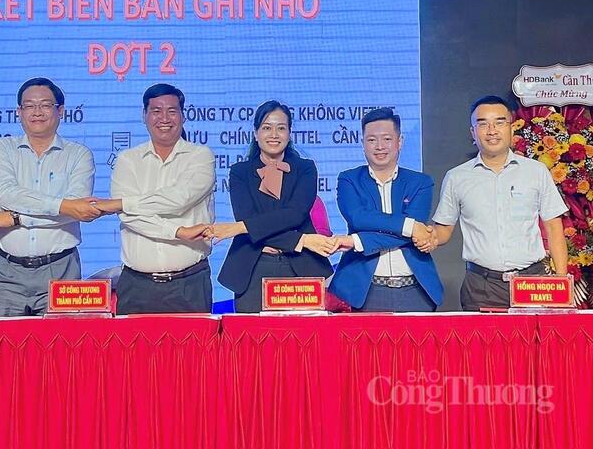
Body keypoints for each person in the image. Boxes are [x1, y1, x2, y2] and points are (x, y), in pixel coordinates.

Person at [0, 77, 99, 316]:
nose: (37, 112)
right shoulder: (3, 148)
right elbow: (9, 196)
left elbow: (76, 211)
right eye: (29, 106)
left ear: (60, 111)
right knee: (2, 341)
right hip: (6, 273)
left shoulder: (79, 155)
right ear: (19, 112)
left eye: (45, 105)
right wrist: (61, 206)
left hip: (61, 270)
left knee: (62, 341)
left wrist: (13, 219)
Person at [432, 95, 568, 310]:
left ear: (511, 128)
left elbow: (553, 227)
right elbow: (444, 230)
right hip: (481, 287)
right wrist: (424, 236)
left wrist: (561, 282)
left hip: (533, 284)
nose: (492, 131)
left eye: (499, 123)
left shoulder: (536, 171)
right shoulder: (457, 177)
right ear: (473, 132)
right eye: (483, 124)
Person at [93, 83, 215, 314]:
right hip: (136, 285)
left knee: (194, 341)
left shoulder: (201, 156)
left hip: (190, 283)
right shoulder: (128, 160)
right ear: (144, 115)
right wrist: (178, 231)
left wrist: (122, 203)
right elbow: (129, 218)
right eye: (156, 111)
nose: (164, 118)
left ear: (183, 115)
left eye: (172, 111)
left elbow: (179, 199)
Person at [206, 101, 334, 312]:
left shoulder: (306, 168)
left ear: (289, 133)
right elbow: (246, 217)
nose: (274, 135)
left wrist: (241, 228)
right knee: (251, 332)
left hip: (300, 266)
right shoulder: (240, 172)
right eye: (267, 128)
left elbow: (295, 215)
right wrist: (301, 240)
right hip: (253, 266)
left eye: (281, 128)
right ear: (256, 133)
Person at [328, 108, 443, 311]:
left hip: (415, 291)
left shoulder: (420, 182)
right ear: (363, 143)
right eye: (372, 140)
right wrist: (409, 226)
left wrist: (356, 241)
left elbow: (415, 233)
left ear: (400, 142)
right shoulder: (349, 179)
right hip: (364, 292)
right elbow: (359, 218)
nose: (379, 146)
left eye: (387, 139)